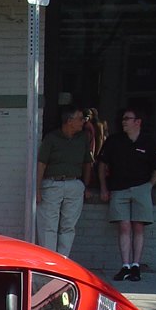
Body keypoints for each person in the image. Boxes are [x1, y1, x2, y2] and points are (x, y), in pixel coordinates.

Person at [98, 107, 156, 282]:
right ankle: (125, 265)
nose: (123, 121)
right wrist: (104, 188)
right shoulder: (114, 141)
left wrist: (149, 186)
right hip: (118, 189)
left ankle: (136, 265)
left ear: (138, 122)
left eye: (128, 118)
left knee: (138, 226)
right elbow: (102, 165)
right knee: (124, 226)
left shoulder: (148, 142)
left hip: (141, 188)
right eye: (123, 118)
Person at [35, 106, 94, 257]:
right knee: (48, 225)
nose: (83, 122)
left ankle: (62, 261)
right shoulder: (52, 138)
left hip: (74, 184)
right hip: (52, 183)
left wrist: (86, 186)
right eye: (80, 118)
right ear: (69, 121)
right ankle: (49, 263)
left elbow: (88, 162)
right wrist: (37, 189)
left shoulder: (82, 138)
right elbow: (41, 163)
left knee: (68, 226)